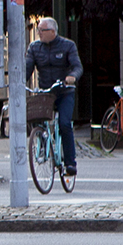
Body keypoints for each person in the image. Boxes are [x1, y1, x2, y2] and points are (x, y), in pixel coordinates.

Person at [25, 17, 82, 175]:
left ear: (52, 31)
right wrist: (19, 81)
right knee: (35, 118)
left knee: (64, 124)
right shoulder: (34, 47)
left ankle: (70, 163)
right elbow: (28, 67)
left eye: (41, 30)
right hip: (46, 92)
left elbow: (77, 66)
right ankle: (42, 145)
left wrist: (72, 76)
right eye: (38, 30)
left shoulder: (68, 45)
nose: (38, 33)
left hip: (64, 92)